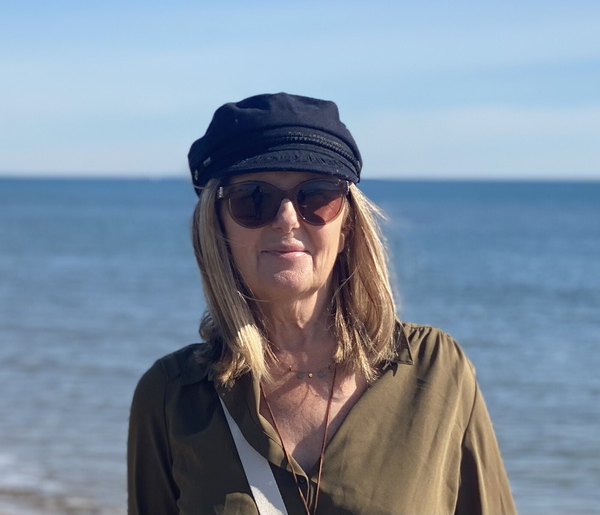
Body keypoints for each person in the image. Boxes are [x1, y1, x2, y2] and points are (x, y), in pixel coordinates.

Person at [127, 92, 516, 515]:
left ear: (346, 225)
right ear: (217, 226)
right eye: (253, 198)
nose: (287, 219)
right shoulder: (172, 396)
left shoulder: (435, 371)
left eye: (316, 197)